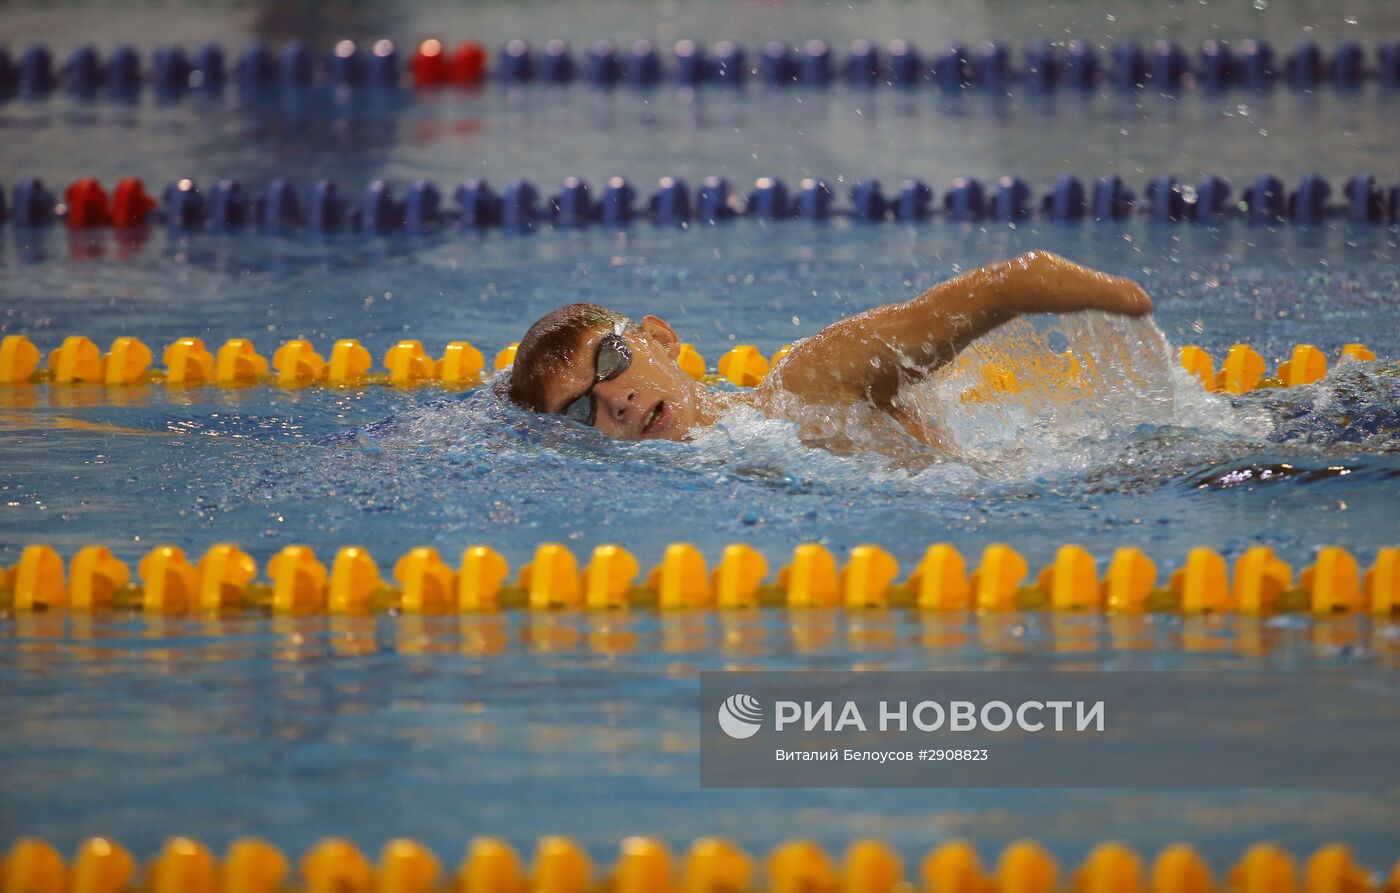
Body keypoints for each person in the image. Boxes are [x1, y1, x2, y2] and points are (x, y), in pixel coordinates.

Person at [503, 251, 1153, 451]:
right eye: (577, 411)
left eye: (611, 362)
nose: (614, 399)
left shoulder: (805, 386)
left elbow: (1001, 288)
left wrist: (1122, 296)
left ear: (662, 339)